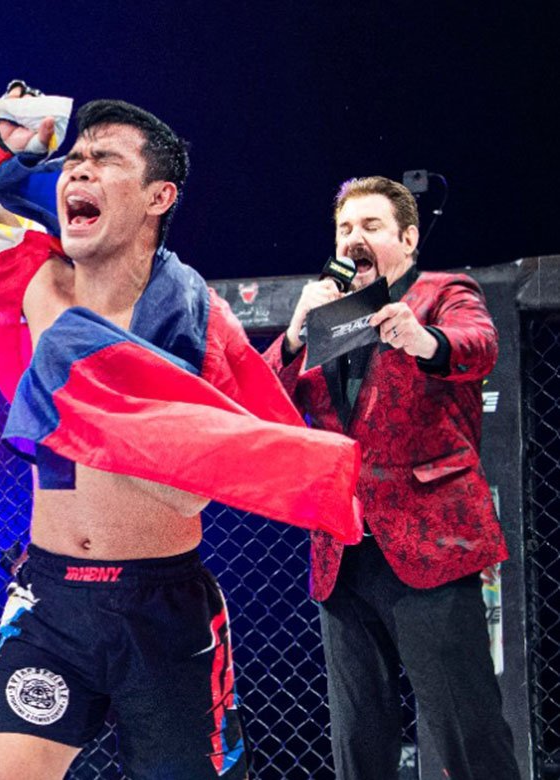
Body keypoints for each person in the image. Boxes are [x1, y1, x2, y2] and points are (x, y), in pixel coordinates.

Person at [0, 85, 363, 780]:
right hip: (51, 598)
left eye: (107, 160)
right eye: (75, 159)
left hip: (162, 607)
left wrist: (118, 419)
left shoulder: (198, 321)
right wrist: (11, 128)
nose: (80, 169)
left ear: (158, 197)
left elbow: (202, 483)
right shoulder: (33, 283)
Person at [262, 175, 519, 779]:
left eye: (371, 226)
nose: (354, 238)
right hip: (343, 549)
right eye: (345, 229)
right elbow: (264, 408)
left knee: (466, 731)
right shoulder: (324, 317)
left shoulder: (440, 292)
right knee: (359, 738)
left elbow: (479, 345)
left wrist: (424, 339)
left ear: (407, 239)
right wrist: (295, 334)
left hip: (431, 543)